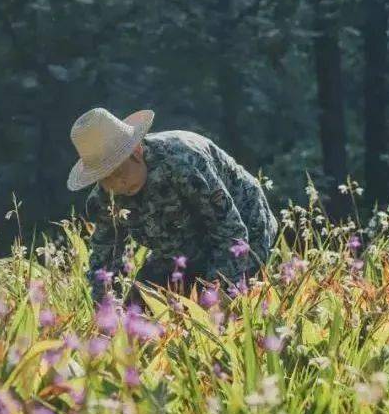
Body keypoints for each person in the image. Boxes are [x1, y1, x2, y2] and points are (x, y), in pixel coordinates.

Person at [67, 106, 278, 301]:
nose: (117, 183)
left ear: (137, 151)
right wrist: (107, 312)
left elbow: (229, 231)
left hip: (244, 226)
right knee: (140, 311)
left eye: (120, 172)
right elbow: (104, 261)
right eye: (106, 177)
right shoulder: (104, 200)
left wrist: (216, 297)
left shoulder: (182, 162)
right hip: (179, 247)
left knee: (226, 307)